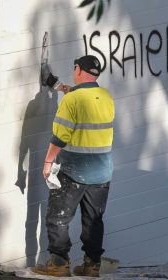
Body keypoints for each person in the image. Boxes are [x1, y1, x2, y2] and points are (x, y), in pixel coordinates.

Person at [32, 55, 115, 277]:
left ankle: (58, 264)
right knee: (93, 221)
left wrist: (48, 162)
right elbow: (83, 100)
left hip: (74, 171)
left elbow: (60, 137)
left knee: (58, 217)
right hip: (102, 173)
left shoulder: (72, 100)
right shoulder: (105, 96)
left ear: (77, 69)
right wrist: (57, 85)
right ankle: (91, 265)